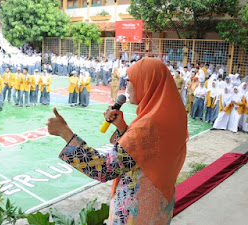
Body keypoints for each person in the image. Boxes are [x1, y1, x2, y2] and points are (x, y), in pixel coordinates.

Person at [47, 58, 187, 224]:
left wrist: (65, 132)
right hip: (158, 204)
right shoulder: (170, 116)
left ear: (147, 83)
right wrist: (122, 128)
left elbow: (104, 168)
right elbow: (145, 155)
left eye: (130, 80)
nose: (126, 85)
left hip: (137, 210)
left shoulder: (147, 126)